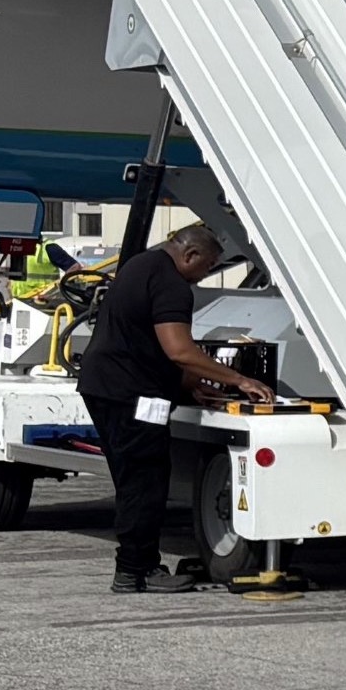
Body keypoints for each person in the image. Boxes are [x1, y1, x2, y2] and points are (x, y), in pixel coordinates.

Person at [70, 221, 272, 593]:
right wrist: (238, 380)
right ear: (190, 255)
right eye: (207, 266)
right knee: (145, 481)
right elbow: (179, 350)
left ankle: (138, 565)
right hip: (133, 395)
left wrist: (188, 386)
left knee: (132, 479)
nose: (206, 274)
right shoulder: (171, 284)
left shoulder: (140, 265)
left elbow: (141, 342)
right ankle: (135, 570)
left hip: (105, 387)